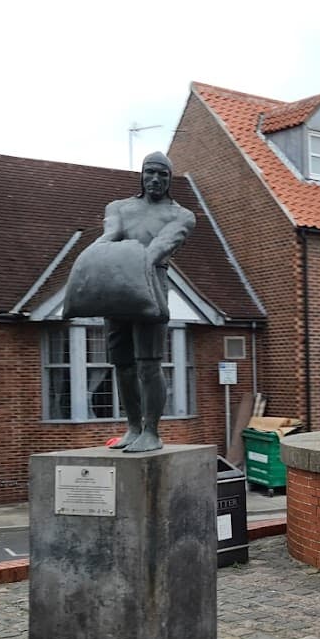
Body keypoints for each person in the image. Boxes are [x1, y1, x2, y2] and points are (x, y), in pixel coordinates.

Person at [93, 151, 196, 453]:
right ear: (141, 174)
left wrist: (140, 260)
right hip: (117, 286)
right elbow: (109, 235)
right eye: (150, 172)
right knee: (122, 364)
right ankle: (133, 427)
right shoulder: (118, 207)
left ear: (169, 179)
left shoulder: (181, 215)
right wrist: (92, 257)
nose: (155, 179)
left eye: (163, 174)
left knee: (148, 364)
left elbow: (164, 244)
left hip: (151, 284)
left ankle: (152, 431)